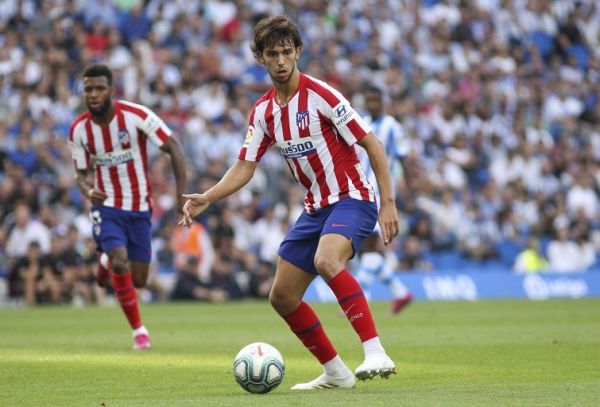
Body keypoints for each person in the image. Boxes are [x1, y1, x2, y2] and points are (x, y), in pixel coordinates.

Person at [180, 16, 398, 390]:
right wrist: (209, 197)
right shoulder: (263, 112)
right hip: (316, 207)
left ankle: (375, 350)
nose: (280, 61)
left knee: (326, 260)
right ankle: (336, 373)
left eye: (286, 52)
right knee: (281, 296)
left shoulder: (323, 96)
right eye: (271, 54)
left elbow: (372, 144)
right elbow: (245, 166)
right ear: (260, 59)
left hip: (353, 197)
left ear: (298, 52)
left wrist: (388, 203)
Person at [69, 64, 187, 350]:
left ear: (111, 90)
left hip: (139, 207)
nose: (93, 94)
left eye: (99, 88)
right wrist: (88, 190)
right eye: (88, 89)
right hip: (106, 206)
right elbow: (81, 174)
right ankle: (139, 333)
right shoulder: (79, 129)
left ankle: (104, 260)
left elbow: (174, 147)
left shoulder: (136, 116)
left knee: (140, 279)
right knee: (121, 259)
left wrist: (181, 196)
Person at [355, 85, 414, 314]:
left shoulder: (392, 126)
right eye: (368, 100)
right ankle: (401, 293)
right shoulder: (362, 121)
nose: (371, 104)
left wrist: (407, 189)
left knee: (369, 243)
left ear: (382, 101)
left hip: (380, 191)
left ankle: (362, 297)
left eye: (375, 100)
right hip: (361, 188)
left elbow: (404, 158)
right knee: (365, 248)